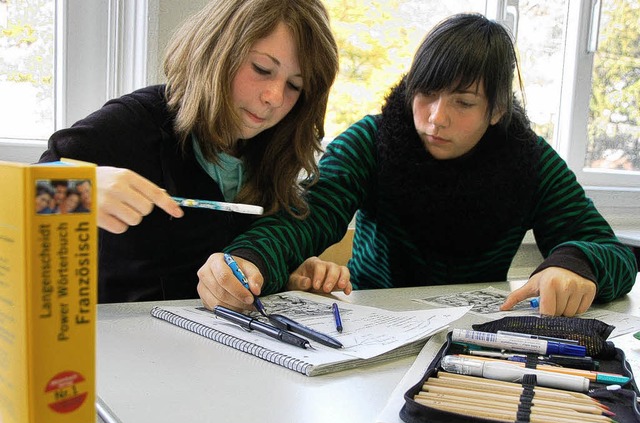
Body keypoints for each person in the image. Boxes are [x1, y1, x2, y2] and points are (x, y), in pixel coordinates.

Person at [197, 13, 638, 317]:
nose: (435, 118)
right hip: (368, 325)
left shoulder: (531, 160)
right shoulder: (370, 140)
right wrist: (249, 258)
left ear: (498, 109)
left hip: (473, 336)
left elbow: (613, 252)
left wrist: (575, 264)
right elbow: (306, 219)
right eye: (425, 94)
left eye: (464, 102)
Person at [38, 0, 341, 303]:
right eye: (262, 69)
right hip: (124, 339)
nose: (274, 97)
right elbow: (21, 194)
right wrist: (81, 190)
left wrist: (285, 277)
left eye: (294, 86)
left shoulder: (273, 150)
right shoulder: (134, 123)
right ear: (217, 51)